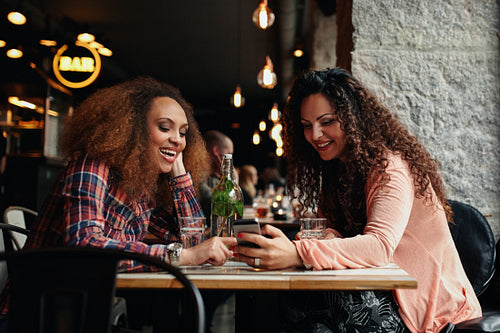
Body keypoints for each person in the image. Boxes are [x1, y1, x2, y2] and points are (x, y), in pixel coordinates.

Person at [234, 68, 481, 332]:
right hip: (384, 293)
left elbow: (378, 247)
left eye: (326, 121)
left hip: (429, 311)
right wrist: (324, 238)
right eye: (306, 126)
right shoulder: (337, 170)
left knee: (306, 309)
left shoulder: (389, 167)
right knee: (274, 301)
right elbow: (333, 234)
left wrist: (298, 253)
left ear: (353, 118)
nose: (315, 135)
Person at [0, 77, 237, 327]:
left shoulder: (139, 185)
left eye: (182, 133)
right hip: (36, 318)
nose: (177, 139)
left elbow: (194, 239)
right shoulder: (91, 166)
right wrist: (183, 256)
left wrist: (179, 172)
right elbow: (85, 246)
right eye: (165, 128)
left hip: (85, 313)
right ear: (132, 128)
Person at [199, 129, 235, 215]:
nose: (230, 160)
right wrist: (232, 179)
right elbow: (223, 208)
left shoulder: (214, 177)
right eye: (229, 154)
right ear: (216, 152)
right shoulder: (196, 176)